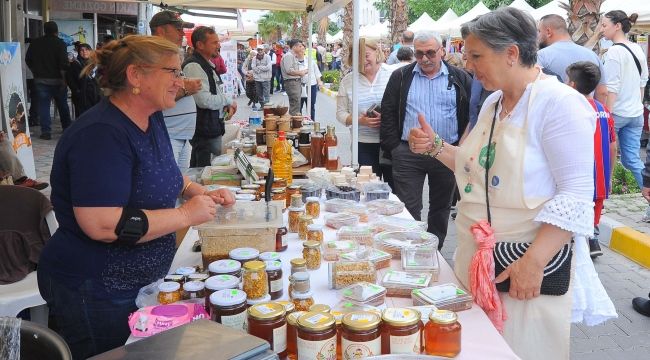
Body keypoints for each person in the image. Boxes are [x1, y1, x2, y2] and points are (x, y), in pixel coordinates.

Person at [408, 8, 597, 359]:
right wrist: (435, 147)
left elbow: (577, 194)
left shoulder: (560, 104)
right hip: (476, 259)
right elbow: (475, 170)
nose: (468, 65)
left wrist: (534, 262)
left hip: (521, 267)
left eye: (476, 55)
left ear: (511, 53)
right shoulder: (493, 102)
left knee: (522, 348)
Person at [37, 35, 236, 359]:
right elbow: (101, 224)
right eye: (171, 72)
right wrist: (185, 215)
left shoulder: (150, 115)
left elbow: (164, 173)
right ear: (135, 76)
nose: (180, 81)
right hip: (97, 287)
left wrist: (198, 191)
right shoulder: (101, 134)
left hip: (139, 281)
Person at [380, 30, 471, 248]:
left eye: (430, 52)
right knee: (408, 205)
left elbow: (471, 114)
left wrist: (460, 148)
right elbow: (389, 111)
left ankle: (434, 251)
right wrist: (395, 147)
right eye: (419, 54)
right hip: (409, 154)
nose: (425, 59)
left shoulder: (459, 77)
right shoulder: (401, 76)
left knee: (441, 207)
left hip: (446, 152)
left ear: (442, 51)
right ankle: (408, 248)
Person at [566, 61, 617, 259]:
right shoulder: (604, 110)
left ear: (571, 85)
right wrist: (609, 176)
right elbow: (612, 147)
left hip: (578, 178)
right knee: (593, 214)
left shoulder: (570, 108)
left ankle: (577, 244)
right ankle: (593, 238)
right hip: (600, 178)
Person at [601, 11, 649, 190]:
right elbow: (643, 81)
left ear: (617, 26)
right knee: (632, 161)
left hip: (617, 113)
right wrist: (638, 104)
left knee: (604, 157)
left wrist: (607, 114)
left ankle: (600, 199)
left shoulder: (614, 52)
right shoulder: (637, 48)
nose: (602, 29)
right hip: (635, 113)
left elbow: (611, 88)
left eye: (605, 25)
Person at [150, 10, 202, 172]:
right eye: (177, 29)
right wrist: (186, 89)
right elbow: (153, 97)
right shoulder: (153, 56)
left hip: (181, 136)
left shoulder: (168, 55)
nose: (182, 33)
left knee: (180, 188)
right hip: (167, 134)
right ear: (160, 30)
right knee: (171, 189)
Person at [337, 38, 392, 179]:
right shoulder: (348, 81)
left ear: (376, 52)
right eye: (357, 57)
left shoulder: (392, 74)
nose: (363, 61)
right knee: (368, 187)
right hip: (362, 144)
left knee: (395, 188)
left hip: (391, 142)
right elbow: (341, 113)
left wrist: (387, 118)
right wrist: (360, 120)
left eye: (366, 55)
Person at [183, 26, 238, 167]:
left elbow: (215, 93)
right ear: (200, 45)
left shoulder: (206, 64)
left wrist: (226, 105)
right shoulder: (194, 66)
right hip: (203, 131)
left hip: (211, 128)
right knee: (204, 171)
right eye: (214, 43)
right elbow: (204, 101)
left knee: (210, 169)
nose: (218, 46)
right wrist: (229, 100)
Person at [537, 14, 607, 102]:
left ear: (548, 32)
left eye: (539, 31)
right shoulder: (593, 55)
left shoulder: (541, 56)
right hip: (588, 112)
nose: (538, 36)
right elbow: (602, 92)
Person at [25, 21, 73, 140]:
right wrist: (64, 80)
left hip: (40, 80)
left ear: (44, 30)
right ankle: (67, 128)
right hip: (57, 80)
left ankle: (46, 132)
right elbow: (63, 64)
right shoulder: (60, 44)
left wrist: (35, 71)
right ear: (56, 31)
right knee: (62, 105)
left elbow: (28, 59)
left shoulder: (35, 43)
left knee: (44, 106)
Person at [66, 43, 102, 118]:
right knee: (82, 117)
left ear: (91, 51)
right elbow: (70, 79)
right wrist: (77, 90)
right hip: (81, 96)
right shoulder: (75, 64)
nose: (84, 52)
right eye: (82, 50)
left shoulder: (95, 64)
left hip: (95, 95)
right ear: (79, 52)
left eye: (87, 50)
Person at [281, 39, 309, 116]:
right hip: (292, 82)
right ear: (294, 47)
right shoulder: (289, 56)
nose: (301, 48)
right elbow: (289, 70)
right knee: (295, 104)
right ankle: (293, 123)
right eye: (299, 46)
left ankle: (294, 122)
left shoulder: (292, 56)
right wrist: (301, 72)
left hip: (294, 82)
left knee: (296, 104)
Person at [297, 46, 323, 121]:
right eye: (300, 49)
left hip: (311, 86)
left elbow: (317, 73)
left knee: (311, 106)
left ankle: (312, 122)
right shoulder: (294, 61)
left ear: (305, 50)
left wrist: (319, 82)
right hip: (299, 86)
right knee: (299, 107)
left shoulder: (310, 61)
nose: (301, 51)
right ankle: (299, 123)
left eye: (303, 49)